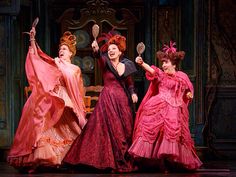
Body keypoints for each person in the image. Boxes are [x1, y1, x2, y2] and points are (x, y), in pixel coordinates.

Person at [7, 25, 87, 173]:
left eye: (64, 49)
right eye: (60, 48)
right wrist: (32, 39)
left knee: (69, 127)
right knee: (45, 124)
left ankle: (66, 159)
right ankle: (43, 159)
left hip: (67, 99)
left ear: (71, 52)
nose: (61, 50)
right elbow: (38, 59)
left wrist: (79, 108)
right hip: (52, 98)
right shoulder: (55, 62)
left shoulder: (75, 69)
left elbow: (77, 90)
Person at [63, 31, 138, 173]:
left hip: (122, 101)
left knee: (124, 130)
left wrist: (133, 93)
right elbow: (98, 55)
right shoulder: (105, 62)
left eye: (114, 49)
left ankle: (121, 160)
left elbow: (129, 83)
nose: (111, 51)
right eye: (109, 50)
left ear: (120, 50)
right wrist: (96, 49)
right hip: (107, 99)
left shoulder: (126, 65)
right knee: (104, 129)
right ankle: (105, 161)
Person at [128, 41, 202, 172]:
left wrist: (189, 94)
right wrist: (141, 63)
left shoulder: (182, 76)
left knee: (172, 135)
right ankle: (159, 162)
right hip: (159, 106)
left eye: (166, 62)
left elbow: (187, 88)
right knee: (154, 133)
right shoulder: (161, 75)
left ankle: (170, 162)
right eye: (162, 63)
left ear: (174, 64)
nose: (163, 65)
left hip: (175, 108)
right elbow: (152, 70)